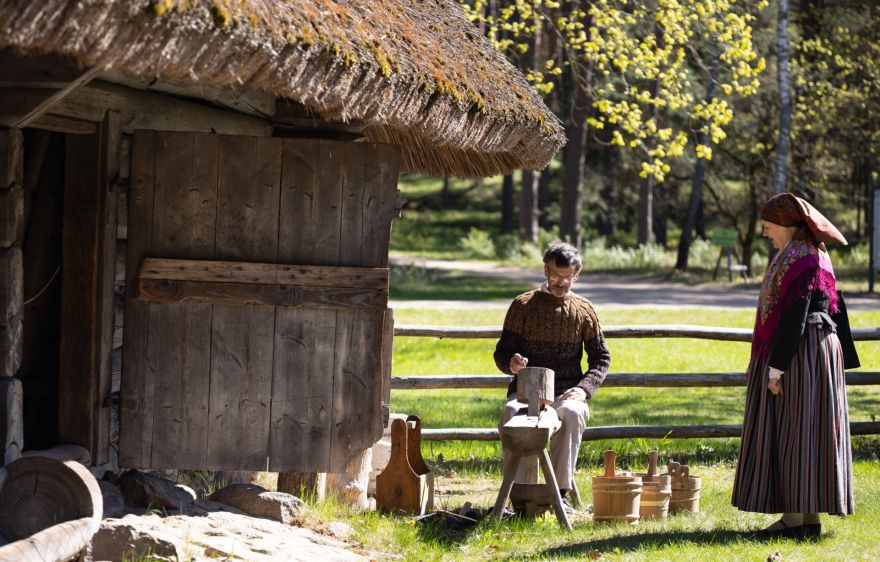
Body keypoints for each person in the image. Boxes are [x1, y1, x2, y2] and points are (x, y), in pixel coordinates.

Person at [732, 193, 855, 538]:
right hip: (812, 352)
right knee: (805, 431)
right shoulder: (805, 253)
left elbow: (795, 316)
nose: (766, 233)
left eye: (768, 227)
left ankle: (796, 521)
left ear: (786, 223)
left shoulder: (802, 258)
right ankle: (803, 520)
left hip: (804, 352)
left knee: (797, 431)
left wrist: (775, 369)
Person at [494, 242, 611, 506]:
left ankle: (559, 495)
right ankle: (521, 496)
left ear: (576, 275)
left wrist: (583, 389)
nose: (559, 283)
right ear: (546, 270)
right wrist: (510, 363)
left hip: (566, 392)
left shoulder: (584, 311)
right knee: (512, 415)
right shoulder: (522, 306)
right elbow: (502, 352)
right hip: (526, 393)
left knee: (573, 413)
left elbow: (601, 358)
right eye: (555, 276)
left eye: (566, 277)